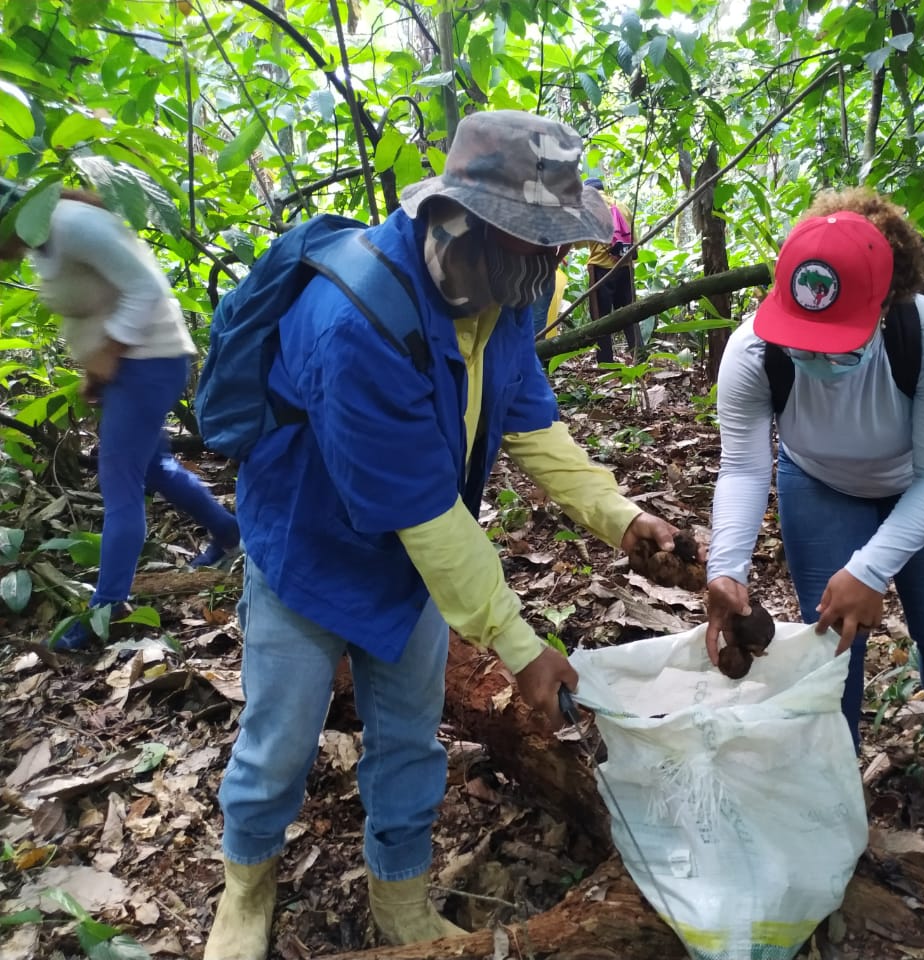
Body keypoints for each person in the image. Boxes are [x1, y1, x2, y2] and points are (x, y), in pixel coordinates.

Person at [203, 111, 680, 960]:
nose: (556, 264)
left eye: (558, 245)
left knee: (409, 736)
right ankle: (247, 885)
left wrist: (623, 519)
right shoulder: (354, 320)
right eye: (542, 245)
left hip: (410, 563)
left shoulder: (506, 297)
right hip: (308, 551)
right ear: (465, 224)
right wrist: (520, 646)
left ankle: (403, 898)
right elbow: (425, 512)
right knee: (278, 741)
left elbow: (532, 424)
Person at [704, 188, 924, 840]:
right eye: (801, 341)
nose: (814, 359)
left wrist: (872, 568)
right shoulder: (754, 350)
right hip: (820, 483)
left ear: (886, 304)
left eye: (836, 344)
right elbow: (746, 467)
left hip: (923, 484)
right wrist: (726, 567)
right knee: (832, 636)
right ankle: (830, 777)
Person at [0, 181, 241, 653]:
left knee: (120, 482)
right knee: (153, 466)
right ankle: (231, 534)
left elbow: (146, 288)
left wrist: (109, 352)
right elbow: (94, 301)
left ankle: (106, 610)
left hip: (150, 361)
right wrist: (97, 365)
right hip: (127, 366)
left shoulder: (73, 224)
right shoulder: (41, 237)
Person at [581, 176, 639, 364]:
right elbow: (634, 242)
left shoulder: (588, 209)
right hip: (625, 267)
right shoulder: (622, 206)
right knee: (630, 315)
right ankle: (640, 357)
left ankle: (606, 363)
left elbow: (577, 242)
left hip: (601, 271)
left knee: (600, 319)